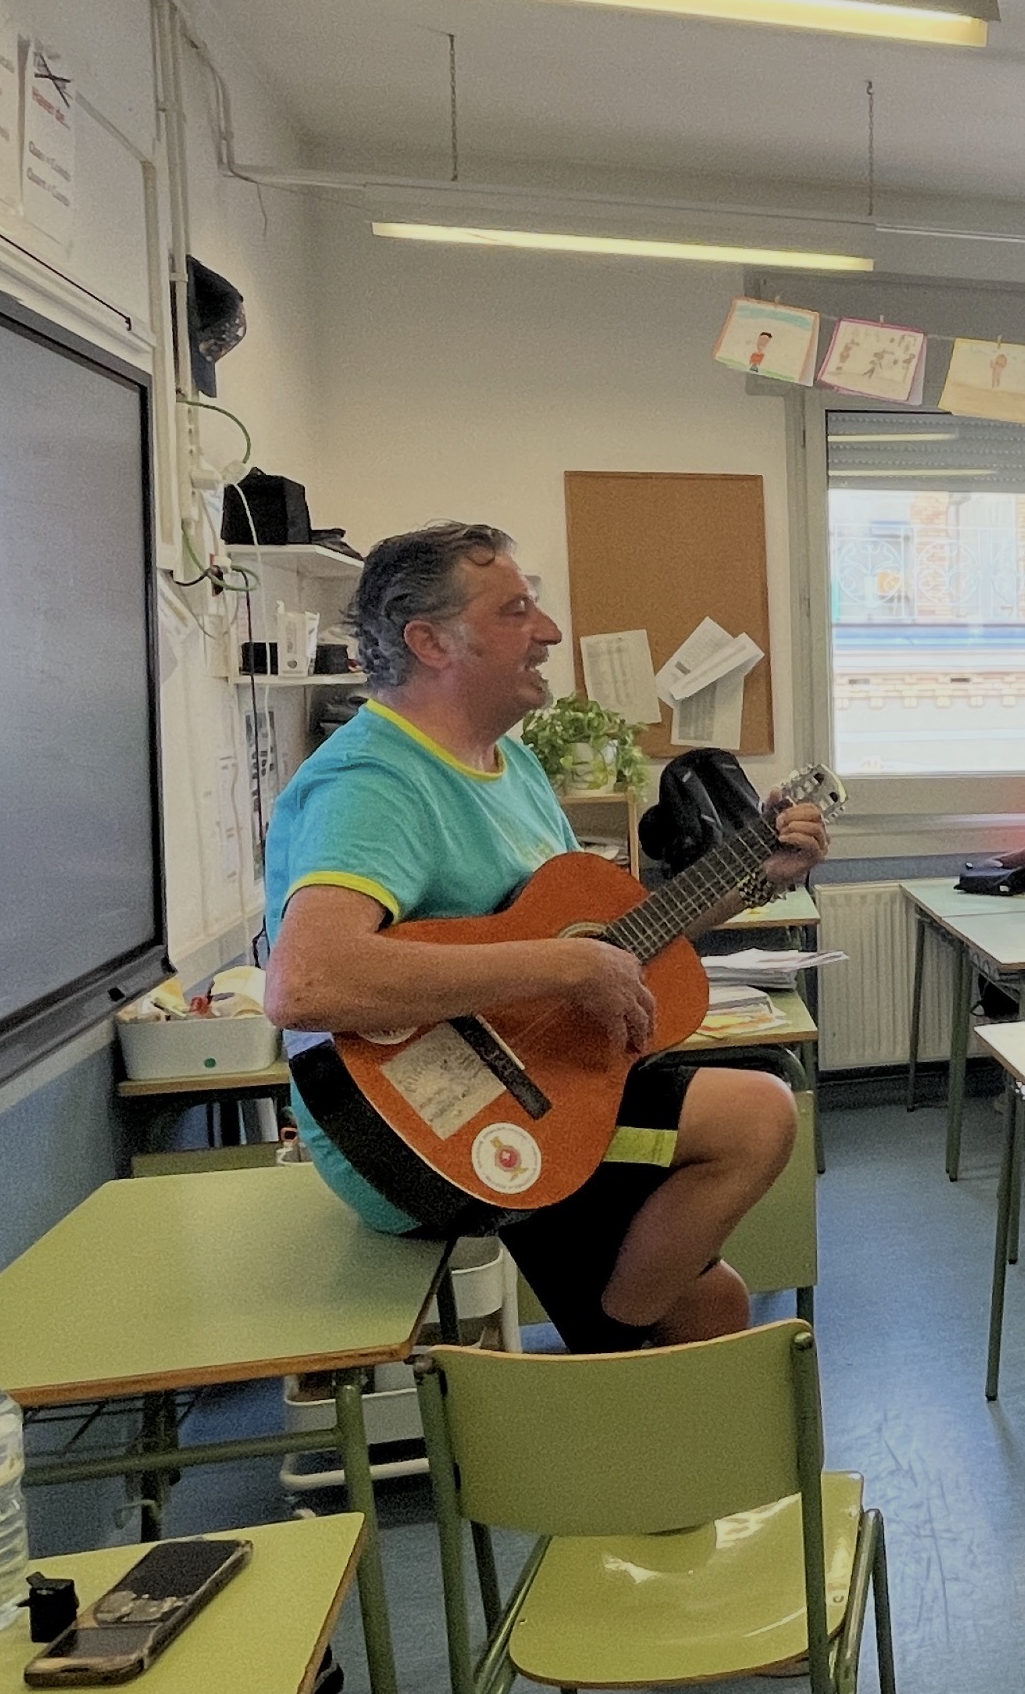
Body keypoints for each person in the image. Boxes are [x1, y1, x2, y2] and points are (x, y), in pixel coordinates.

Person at [264, 523, 830, 1353]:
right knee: (756, 1114)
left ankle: (613, 1350)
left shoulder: (511, 765)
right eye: (514, 610)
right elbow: (305, 982)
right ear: (430, 641)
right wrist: (562, 965)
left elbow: (612, 941)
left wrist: (757, 874)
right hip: (417, 1127)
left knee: (711, 1305)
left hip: (527, 1075)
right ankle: (605, 1347)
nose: (550, 632)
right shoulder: (374, 779)